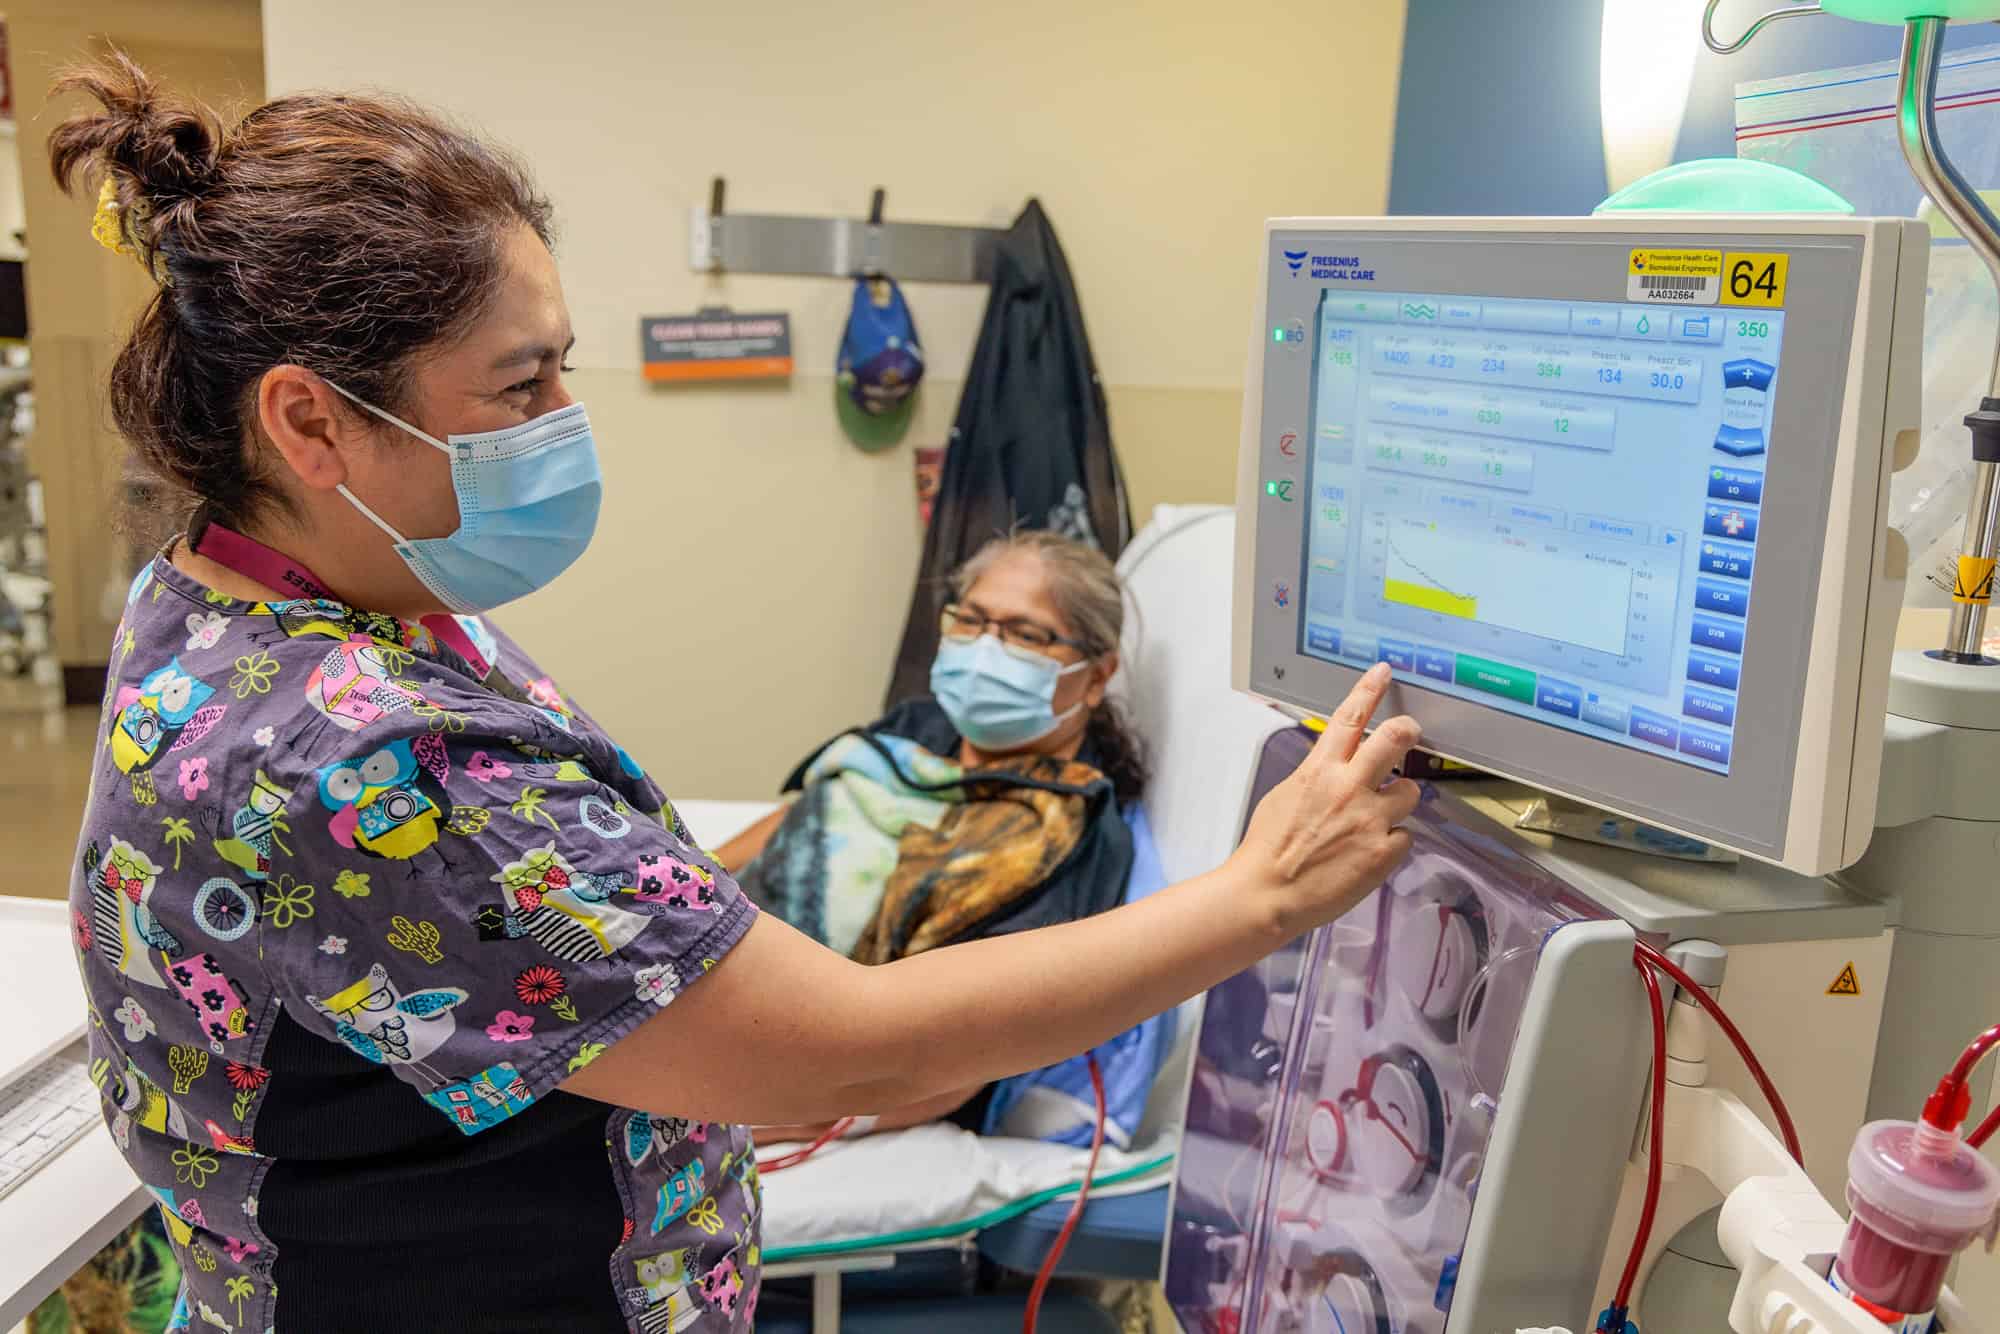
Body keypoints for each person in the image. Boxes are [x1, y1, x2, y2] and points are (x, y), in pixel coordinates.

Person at [56, 54, 1421, 1334]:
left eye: (560, 366)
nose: (561, 417)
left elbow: (544, 917)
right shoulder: (361, 753)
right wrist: (1266, 893)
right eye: (520, 381)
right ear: (309, 422)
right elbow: (856, 1053)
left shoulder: (235, 601)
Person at [724, 529, 1164, 1148]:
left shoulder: (1064, 834)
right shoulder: (920, 727)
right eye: (972, 619)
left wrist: (760, 1122)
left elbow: (971, 1048)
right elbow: (805, 817)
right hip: (720, 970)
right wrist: (682, 881)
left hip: (803, 1059)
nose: (987, 648)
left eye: (1025, 633)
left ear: (1096, 676)